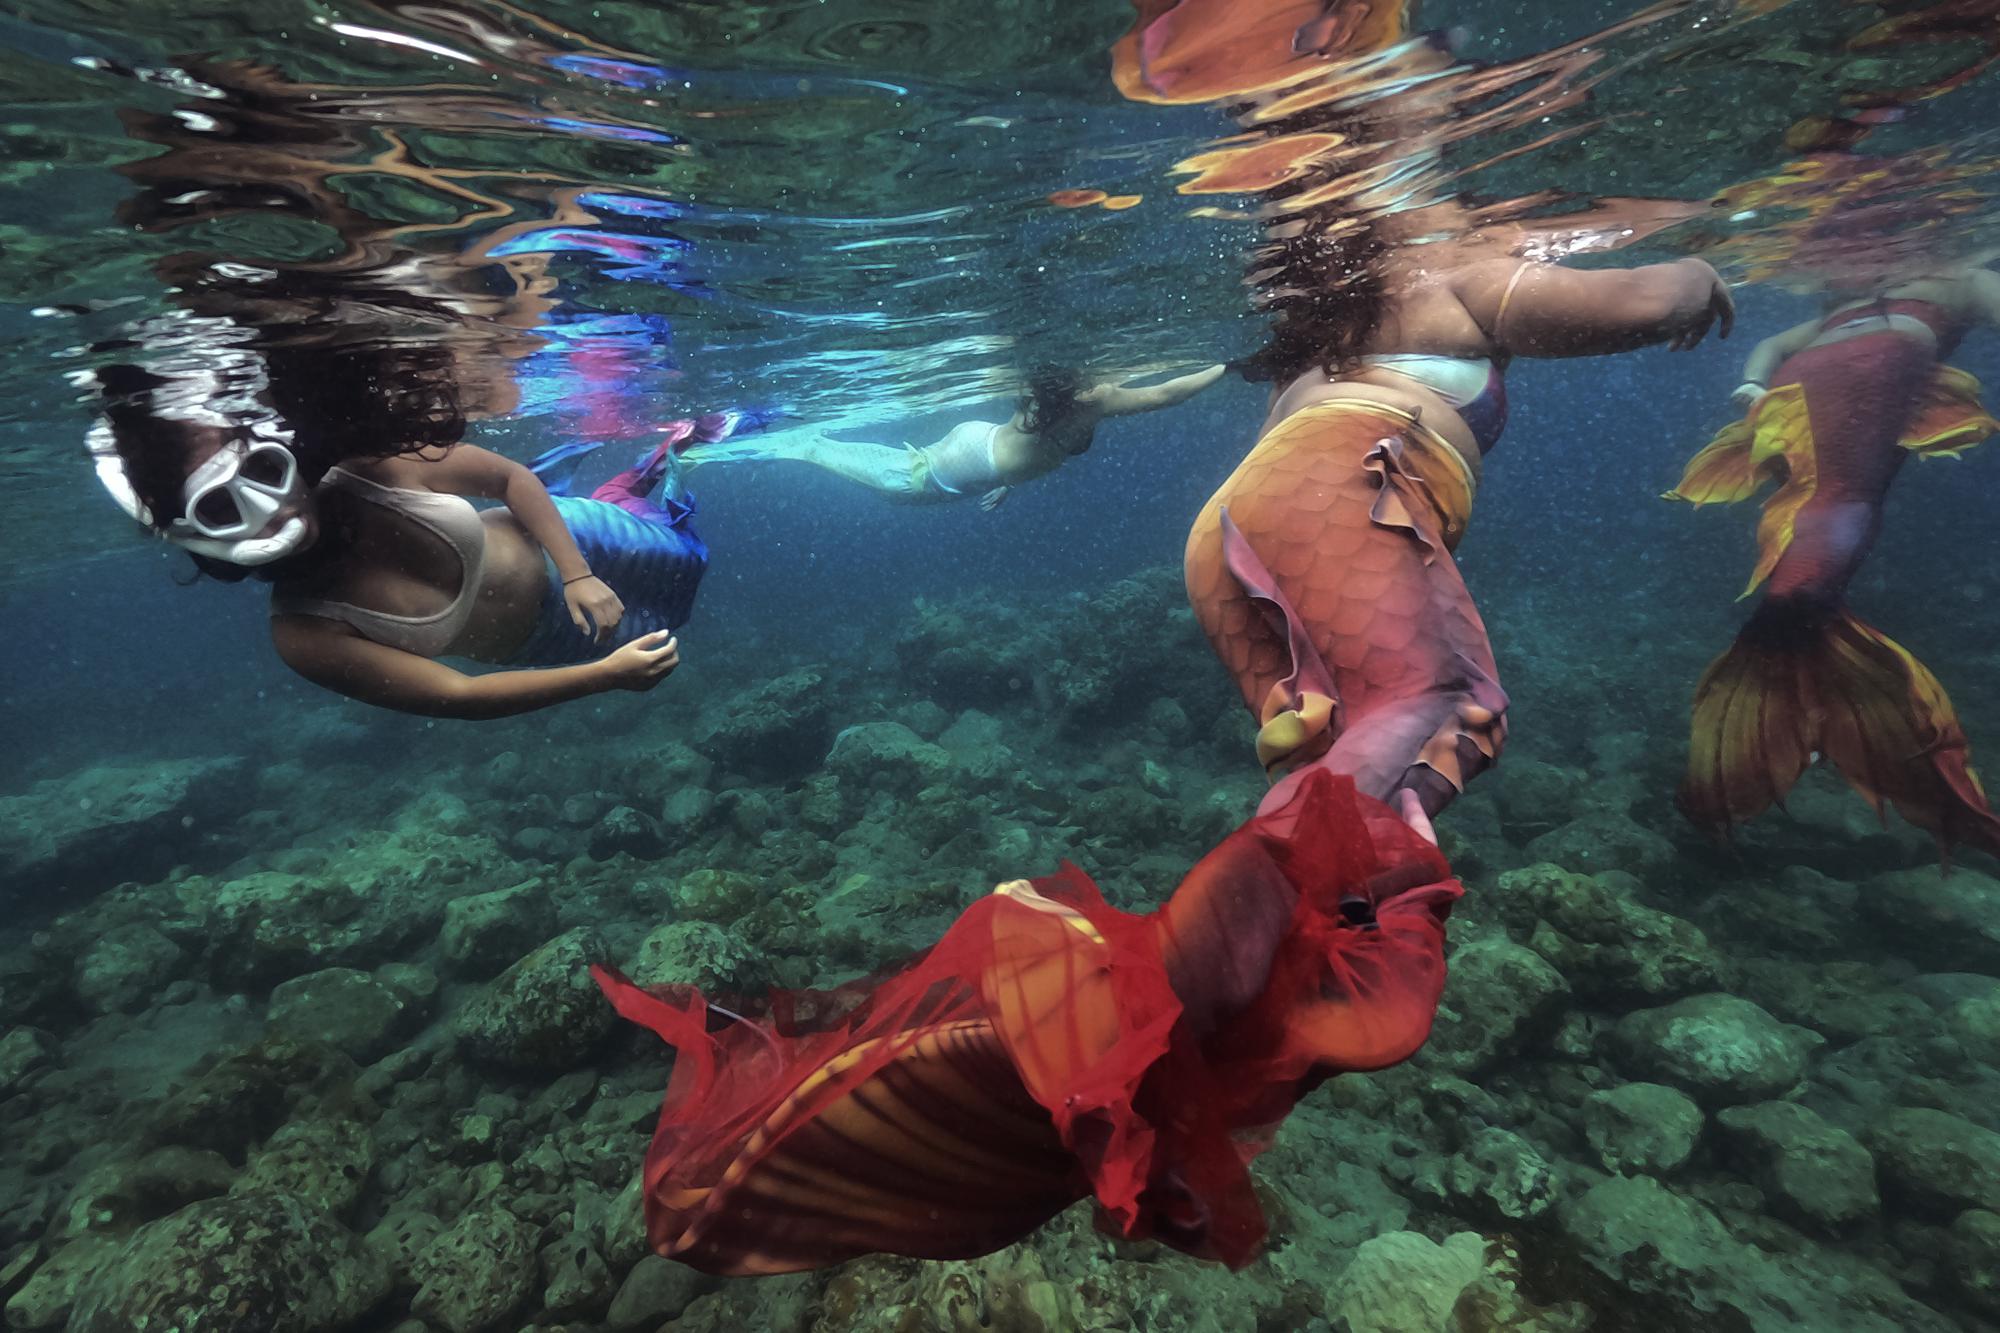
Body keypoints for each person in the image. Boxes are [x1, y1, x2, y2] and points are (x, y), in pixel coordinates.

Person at [1184, 220, 1735, 842]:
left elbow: (1281, 484)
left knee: (1338, 773)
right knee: (1441, 718)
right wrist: (1699, 273)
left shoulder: (1325, 331)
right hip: (1334, 492)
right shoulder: (1453, 271)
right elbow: (1649, 303)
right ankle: (1234, 930)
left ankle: (1303, 925)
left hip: (1233, 532)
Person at [89, 337, 728, 718]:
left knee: (689, 557)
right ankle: (634, 479)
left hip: (576, 543)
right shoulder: (306, 633)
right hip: (550, 645)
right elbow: (454, 695)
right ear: (194, 536)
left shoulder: (363, 469)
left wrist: (578, 574)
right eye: (222, 508)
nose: (273, 510)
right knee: (685, 617)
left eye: (262, 470)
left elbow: (508, 479)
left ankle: (657, 462)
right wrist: (603, 676)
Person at [1666, 267, 2000, 853]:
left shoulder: (1843, 307)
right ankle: (1799, 663)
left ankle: (1791, 673)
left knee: (1812, 501)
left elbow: (1772, 344)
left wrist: (1752, 383)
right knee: (1842, 498)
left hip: (1806, 382)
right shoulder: (1967, 275)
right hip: (1882, 366)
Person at [678, 363, 1226, 508]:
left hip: (957, 457)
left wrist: (1008, 480)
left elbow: (1165, 392)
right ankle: (699, 452)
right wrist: (1231, 365)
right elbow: (1164, 395)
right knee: (810, 445)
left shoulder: (1070, 401)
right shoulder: (1091, 405)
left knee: (817, 441)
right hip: (916, 479)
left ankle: (719, 438)